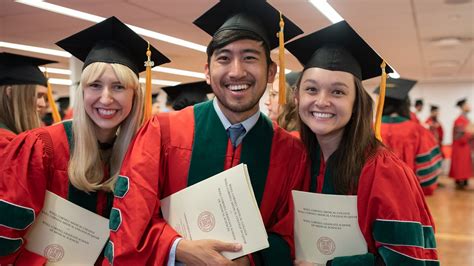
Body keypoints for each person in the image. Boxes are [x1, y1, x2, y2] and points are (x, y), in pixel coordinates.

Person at [106, 1, 308, 265]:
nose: (237, 71)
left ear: (271, 72)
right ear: (207, 72)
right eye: (224, 58)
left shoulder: (290, 151)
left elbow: (291, 235)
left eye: (249, 57)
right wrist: (177, 248)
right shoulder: (162, 132)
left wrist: (250, 260)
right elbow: (132, 215)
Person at [0, 16, 170, 264]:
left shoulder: (140, 153)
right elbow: (5, 235)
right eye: (95, 85)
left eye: (119, 87)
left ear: (135, 96)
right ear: (82, 92)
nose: (106, 98)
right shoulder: (42, 146)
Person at [286, 20, 439, 265]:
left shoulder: (384, 171)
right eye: (311, 89)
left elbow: (407, 261)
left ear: (357, 102)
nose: (322, 101)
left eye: (338, 92)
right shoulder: (291, 156)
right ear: (297, 97)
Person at [376, 78, 442, 196]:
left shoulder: (370, 130)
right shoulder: (418, 131)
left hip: (376, 194)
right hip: (408, 195)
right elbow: (429, 172)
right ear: (406, 104)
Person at [0, 52, 55, 151]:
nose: (43, 104)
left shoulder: (14, 137)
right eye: (39, 96)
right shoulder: (5, 144)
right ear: (10, 93)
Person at [449, 98, 473, 189]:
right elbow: (459, 137)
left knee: (465, 164)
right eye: (467, 105)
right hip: (460, 146)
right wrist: (470, 133)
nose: (469, 106)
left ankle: (464, 180)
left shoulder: (466, 119)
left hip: (466, 146)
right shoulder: (459, 120)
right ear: (463, 107)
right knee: (460, 164)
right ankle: (460, 181)